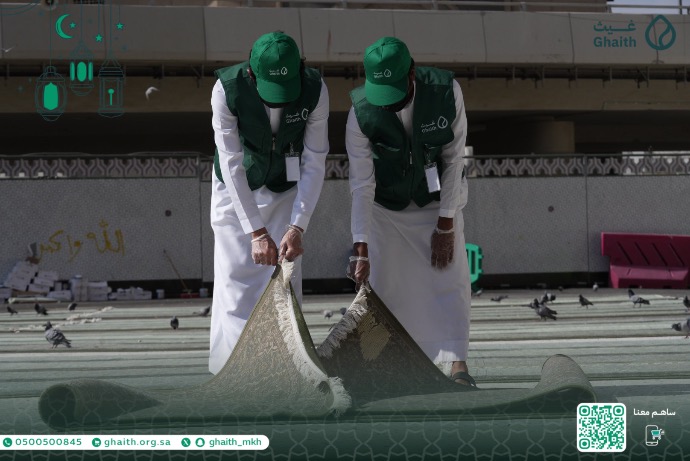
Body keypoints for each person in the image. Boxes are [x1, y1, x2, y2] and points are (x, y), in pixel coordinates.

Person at [345, 37, 475, 387]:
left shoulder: (446, 92)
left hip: (438, 199)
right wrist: (361, 247)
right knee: (387, 284)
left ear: (412, 74)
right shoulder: (360, 112)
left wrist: (445, 224)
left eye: (395, 93)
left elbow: (453, 160)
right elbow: (362, 184)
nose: (388, 105)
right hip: (386, 205)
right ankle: (392, 365)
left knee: (449, 277)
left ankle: (457, 366)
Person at [209, 31, 329, 374]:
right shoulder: (226, 89)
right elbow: (231, 163)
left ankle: (286, 368)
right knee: (236, 281)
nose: (278, 103)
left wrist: (297, 226)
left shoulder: (316, 89)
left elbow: (315, 160)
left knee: (286, 279)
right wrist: (256, 232)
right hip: (235, 190)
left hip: (286, 188)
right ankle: (234, 373)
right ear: (251, 72)